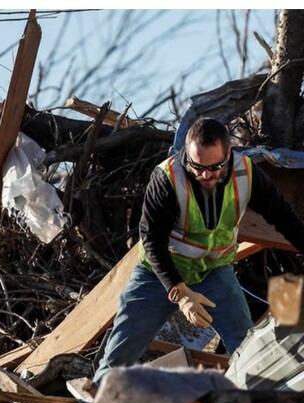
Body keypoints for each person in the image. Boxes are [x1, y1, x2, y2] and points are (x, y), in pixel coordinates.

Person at [94, 117, 304, 387]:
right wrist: (180, 294)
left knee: (251, 347)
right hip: (157, 276)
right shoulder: (167, 178)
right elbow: (152, 240)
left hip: (214, 272)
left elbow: (283, 217)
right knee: (119, 353)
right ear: (187, 156)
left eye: (215, 167)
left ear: (228, 155)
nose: (206, 175)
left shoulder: (246, 173)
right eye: (197, 167)